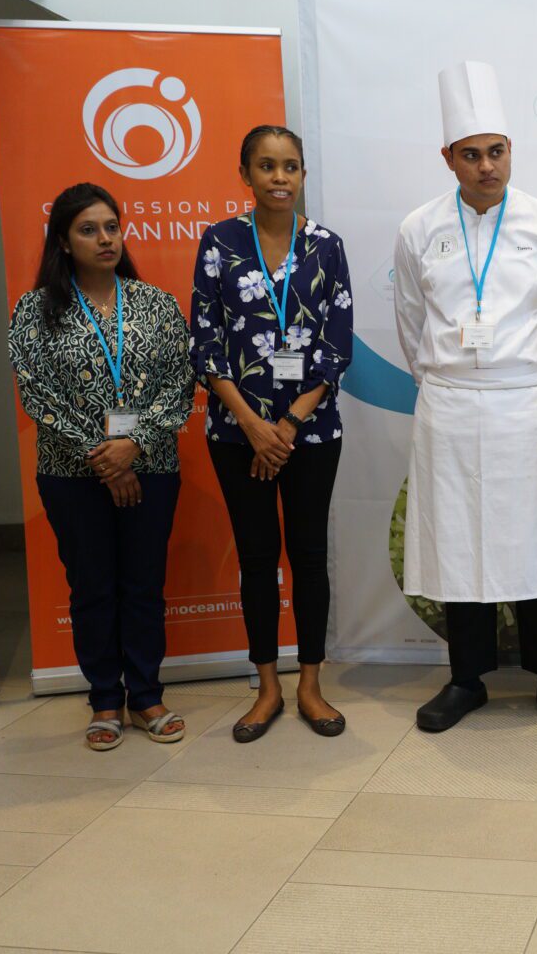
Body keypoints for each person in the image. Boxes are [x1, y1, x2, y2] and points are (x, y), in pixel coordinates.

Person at [395, 61, 537, 733]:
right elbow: (411, 321)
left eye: (497, 152)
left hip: (528, 403)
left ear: (511, 151)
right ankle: (466, 678)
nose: (487, 166)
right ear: (448, 158)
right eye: (472, 154)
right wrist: (446, 382)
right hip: (450, 405)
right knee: (458, 543)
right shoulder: (419, 228)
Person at [9, 183, 194, 750]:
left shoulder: (156, 304)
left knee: (143, 585)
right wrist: (107, 459)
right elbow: (37, 395)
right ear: (64, 242)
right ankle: (105, 700)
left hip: (152, 465)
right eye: (88, 230)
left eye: (111, 227)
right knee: (92, 587)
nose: (105, 238)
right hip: (71, 475)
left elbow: (180, 382)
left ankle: (146, 695)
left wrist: (133, 445)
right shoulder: (35, 309)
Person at [190, 125, 354, 743]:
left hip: (310, 433)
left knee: (308, 557)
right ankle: (267, 687)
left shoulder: (326, 246)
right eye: (266, 166)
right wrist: (254, 426)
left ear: (304, 174)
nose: (280, 177)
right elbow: (205, 343)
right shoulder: (220, 242)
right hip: (237, 435)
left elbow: (336, 347)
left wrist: (285, 426)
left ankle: (310, 684)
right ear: (246, 174)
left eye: (290, 166)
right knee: (257, 559)